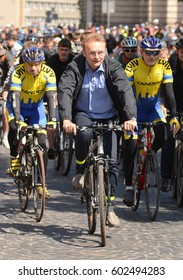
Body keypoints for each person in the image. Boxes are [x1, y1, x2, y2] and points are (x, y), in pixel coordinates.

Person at [57, 33, 137, 228]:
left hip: (110, 116)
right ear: (84, 53)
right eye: (92, 53)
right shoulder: (75, 67)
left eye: (100, 52)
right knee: (83, 133)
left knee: (112, 162)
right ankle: (81, 168)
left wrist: (131, 118)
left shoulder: (114, 67)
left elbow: (125, 91)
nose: (97, 57)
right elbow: (65, 91)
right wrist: (66, 118)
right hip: (84, 114)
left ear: (106, 52)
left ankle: (109, 207)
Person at [123, 35, 180, 206]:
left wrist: (174, 116)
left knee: (163, 136)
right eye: (148, 53)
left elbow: (169, 93)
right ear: (141, 51)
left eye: (156, 53)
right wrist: (129, 116)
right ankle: (128, 187)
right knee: (130, 147)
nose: (152, 57)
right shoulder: (132, 66)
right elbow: (127, 95)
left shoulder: (165, 66)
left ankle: (148, 156)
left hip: (153, 109)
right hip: (135, 110)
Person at [6, 46, 57, 198]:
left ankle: (42, 184)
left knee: (42, 144)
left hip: (36, 109)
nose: (33, 68)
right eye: (29, 64)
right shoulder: (17, 72)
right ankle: (15, 157)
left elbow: (51, 98)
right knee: (15, 128)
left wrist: (53, 119)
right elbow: (14, 97)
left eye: (37, 64)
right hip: (18, 108)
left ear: (42, 62)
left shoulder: (49, 73)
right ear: (24, 63)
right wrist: (17, 118)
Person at [161, 37, 183, 191]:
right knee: (168, 139)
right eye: (182, 52)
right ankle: (166, 177)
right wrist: (162, 104)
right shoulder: (171, 64)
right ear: (178, 51)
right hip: (171, 104)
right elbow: (163, 87)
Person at [0, 46, 14, 149]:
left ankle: (5, 136)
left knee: (5, 111)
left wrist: (6, 90)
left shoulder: (7, 57)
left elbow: (11, 75)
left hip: (4, 86)